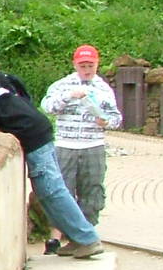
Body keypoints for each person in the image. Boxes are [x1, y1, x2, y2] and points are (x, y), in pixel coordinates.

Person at [0, 50, 104, 257]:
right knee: (47, 192)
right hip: (37, 128)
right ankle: (77, 237)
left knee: (51, 190)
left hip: (31, 135)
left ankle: (87, 238)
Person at [39, 44, 122, 253]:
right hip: (66, 145)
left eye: (91, 65)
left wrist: (106, 122)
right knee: (62, 190)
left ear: (97, 64)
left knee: (93, 190)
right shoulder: (62, 85)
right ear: (75, 64)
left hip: (93, 145)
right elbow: (47, 107)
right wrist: (69, 96)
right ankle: (59, 236)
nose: (87, 69)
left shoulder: (103, 88)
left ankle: (86, 236)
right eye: (83, 65)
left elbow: (116, 118)